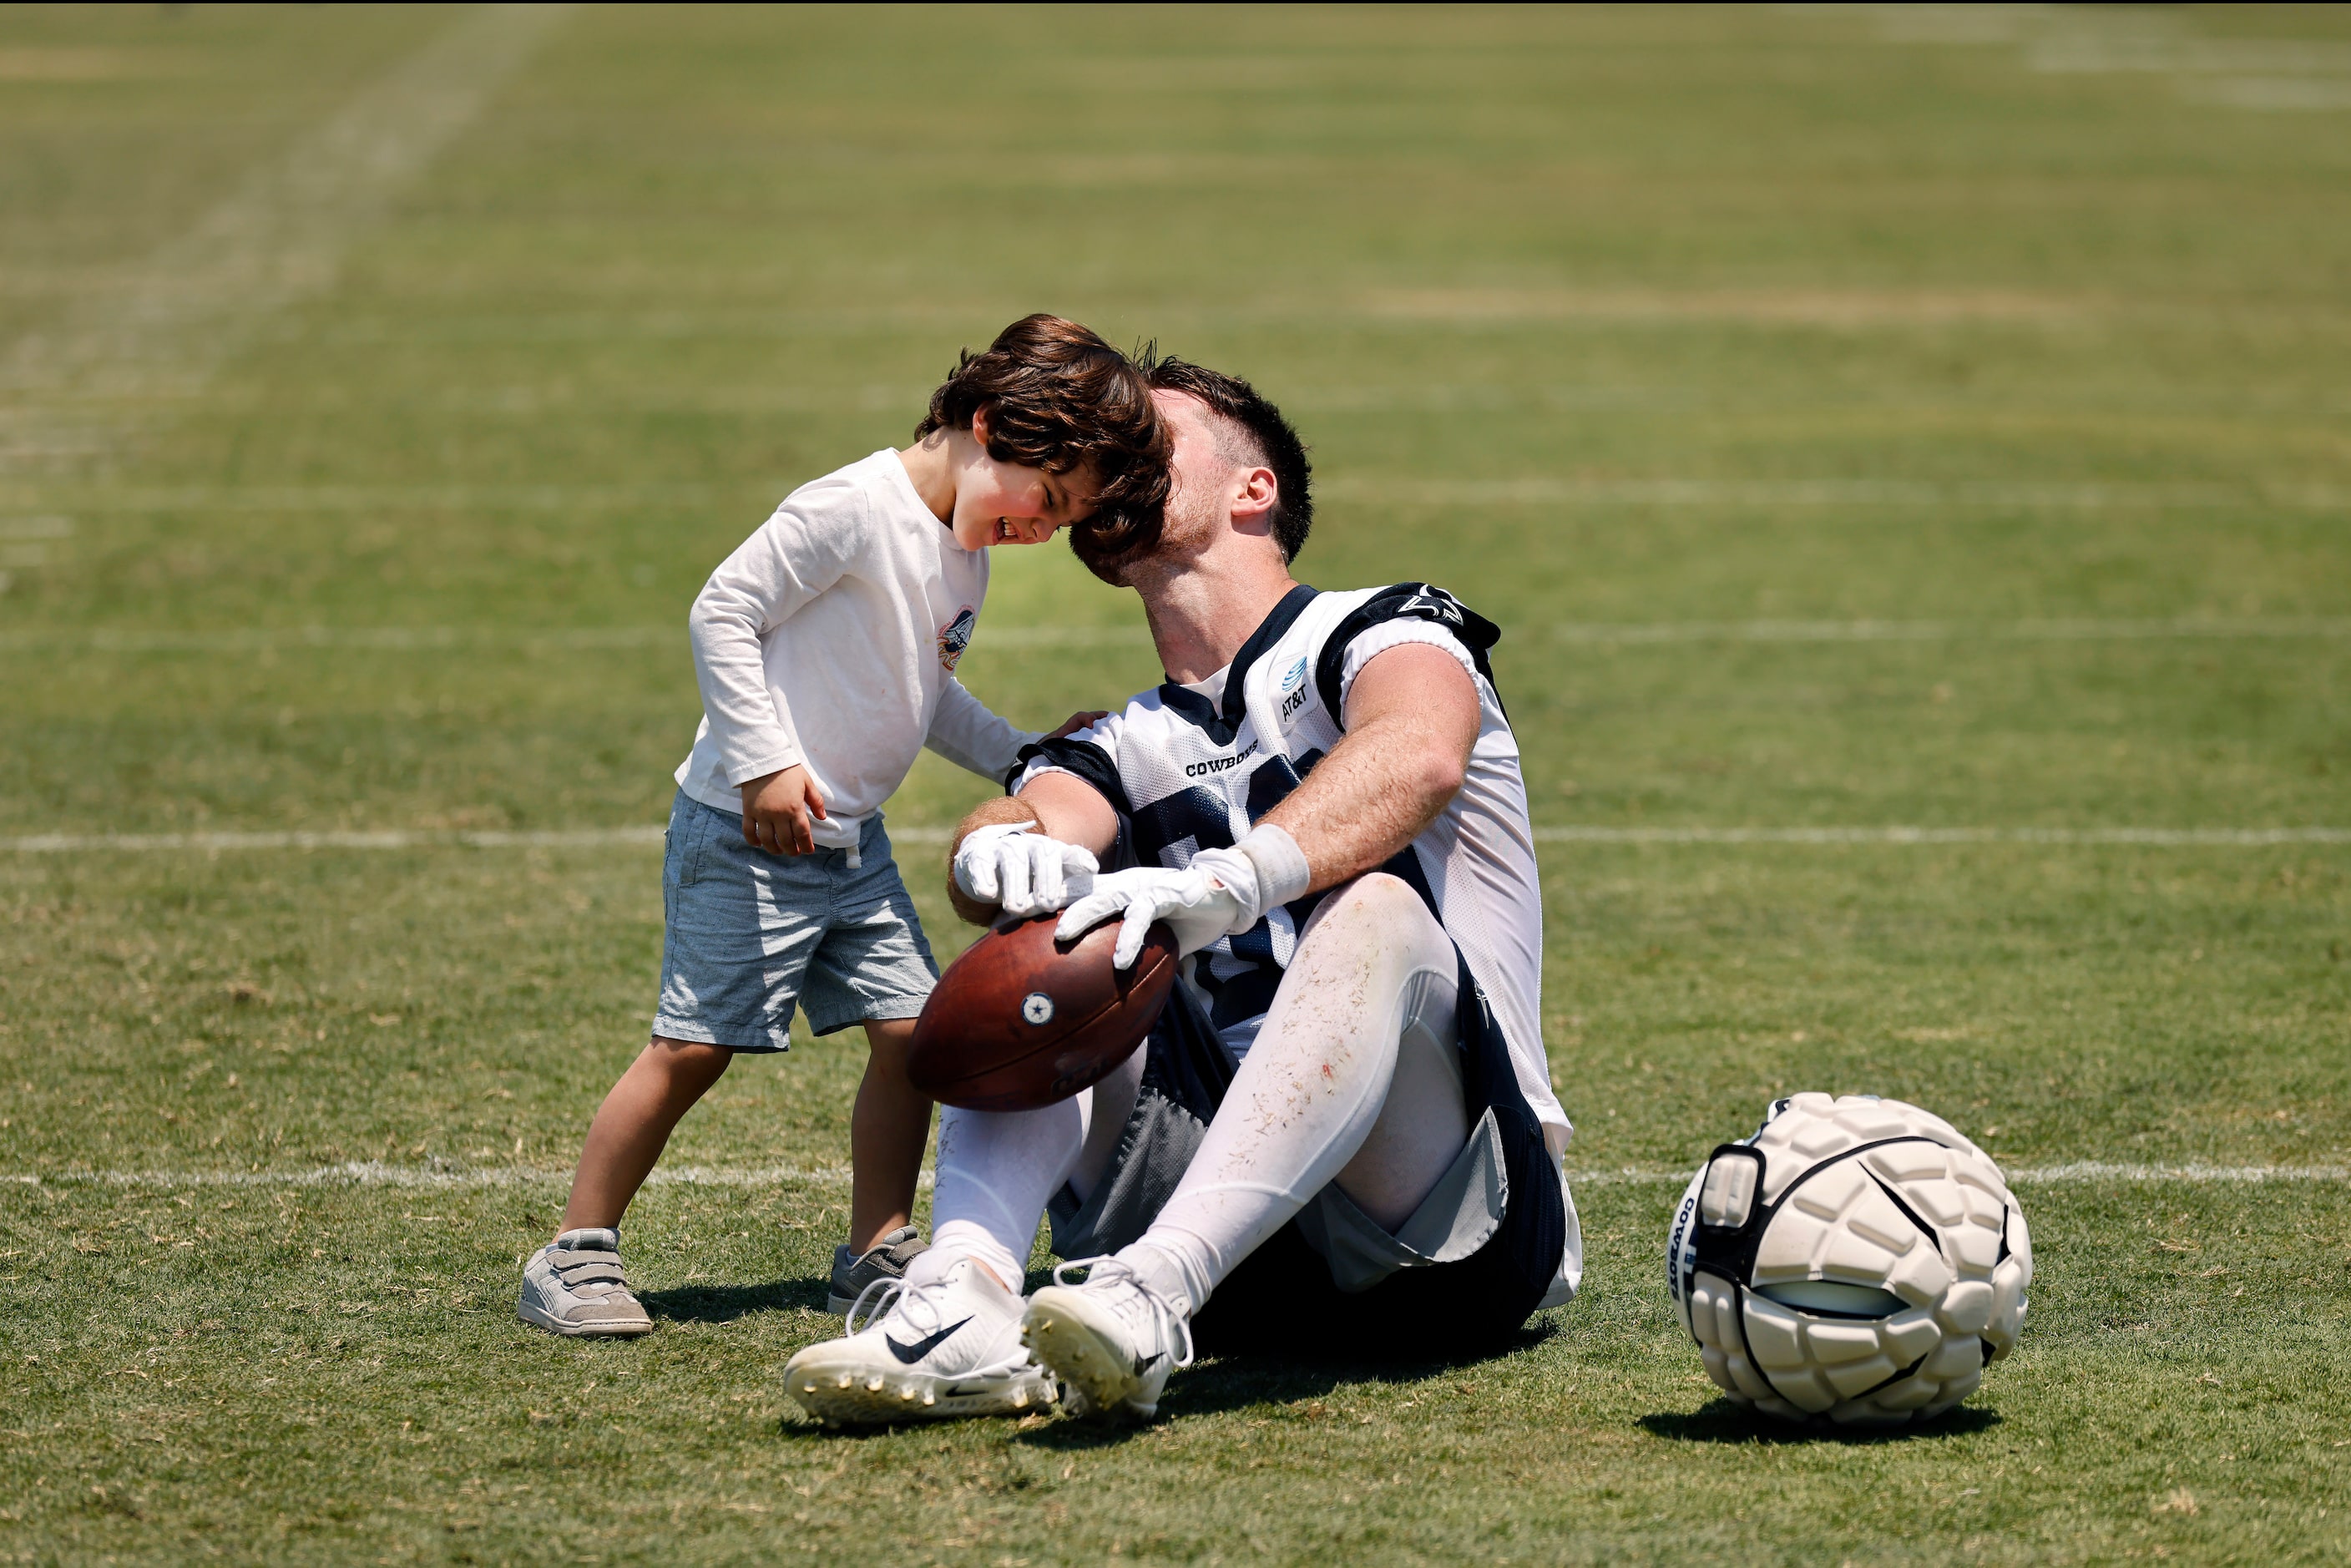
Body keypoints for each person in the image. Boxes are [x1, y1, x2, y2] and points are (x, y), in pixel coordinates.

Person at [782, 357, 1580, 1424]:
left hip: (1442, 1225)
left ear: (1252, 491)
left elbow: (1419, 749)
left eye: (1142, 441)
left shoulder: (1375, 629)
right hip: (1227, 1250)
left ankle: (1155, 1291)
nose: (1105, 462)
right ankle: (961, 1303)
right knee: (1052, 920)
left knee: (1379, 908)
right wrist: (995, 852)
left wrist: (1233, 881)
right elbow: (1040, 808)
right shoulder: (1127, 736)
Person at [517, 316, 1169, 1338]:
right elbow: (722, 611)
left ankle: (874, 1252)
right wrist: (766, 765)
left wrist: (1020, 753)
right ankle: (573, 1255)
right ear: (987, 424)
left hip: (849, 846)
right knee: (693, 1050)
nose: (1042, 530)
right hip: (748, 839)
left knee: (915, 1040)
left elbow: (923, 693)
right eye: (1047, 499)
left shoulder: (963, 556)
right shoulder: (851, 509)